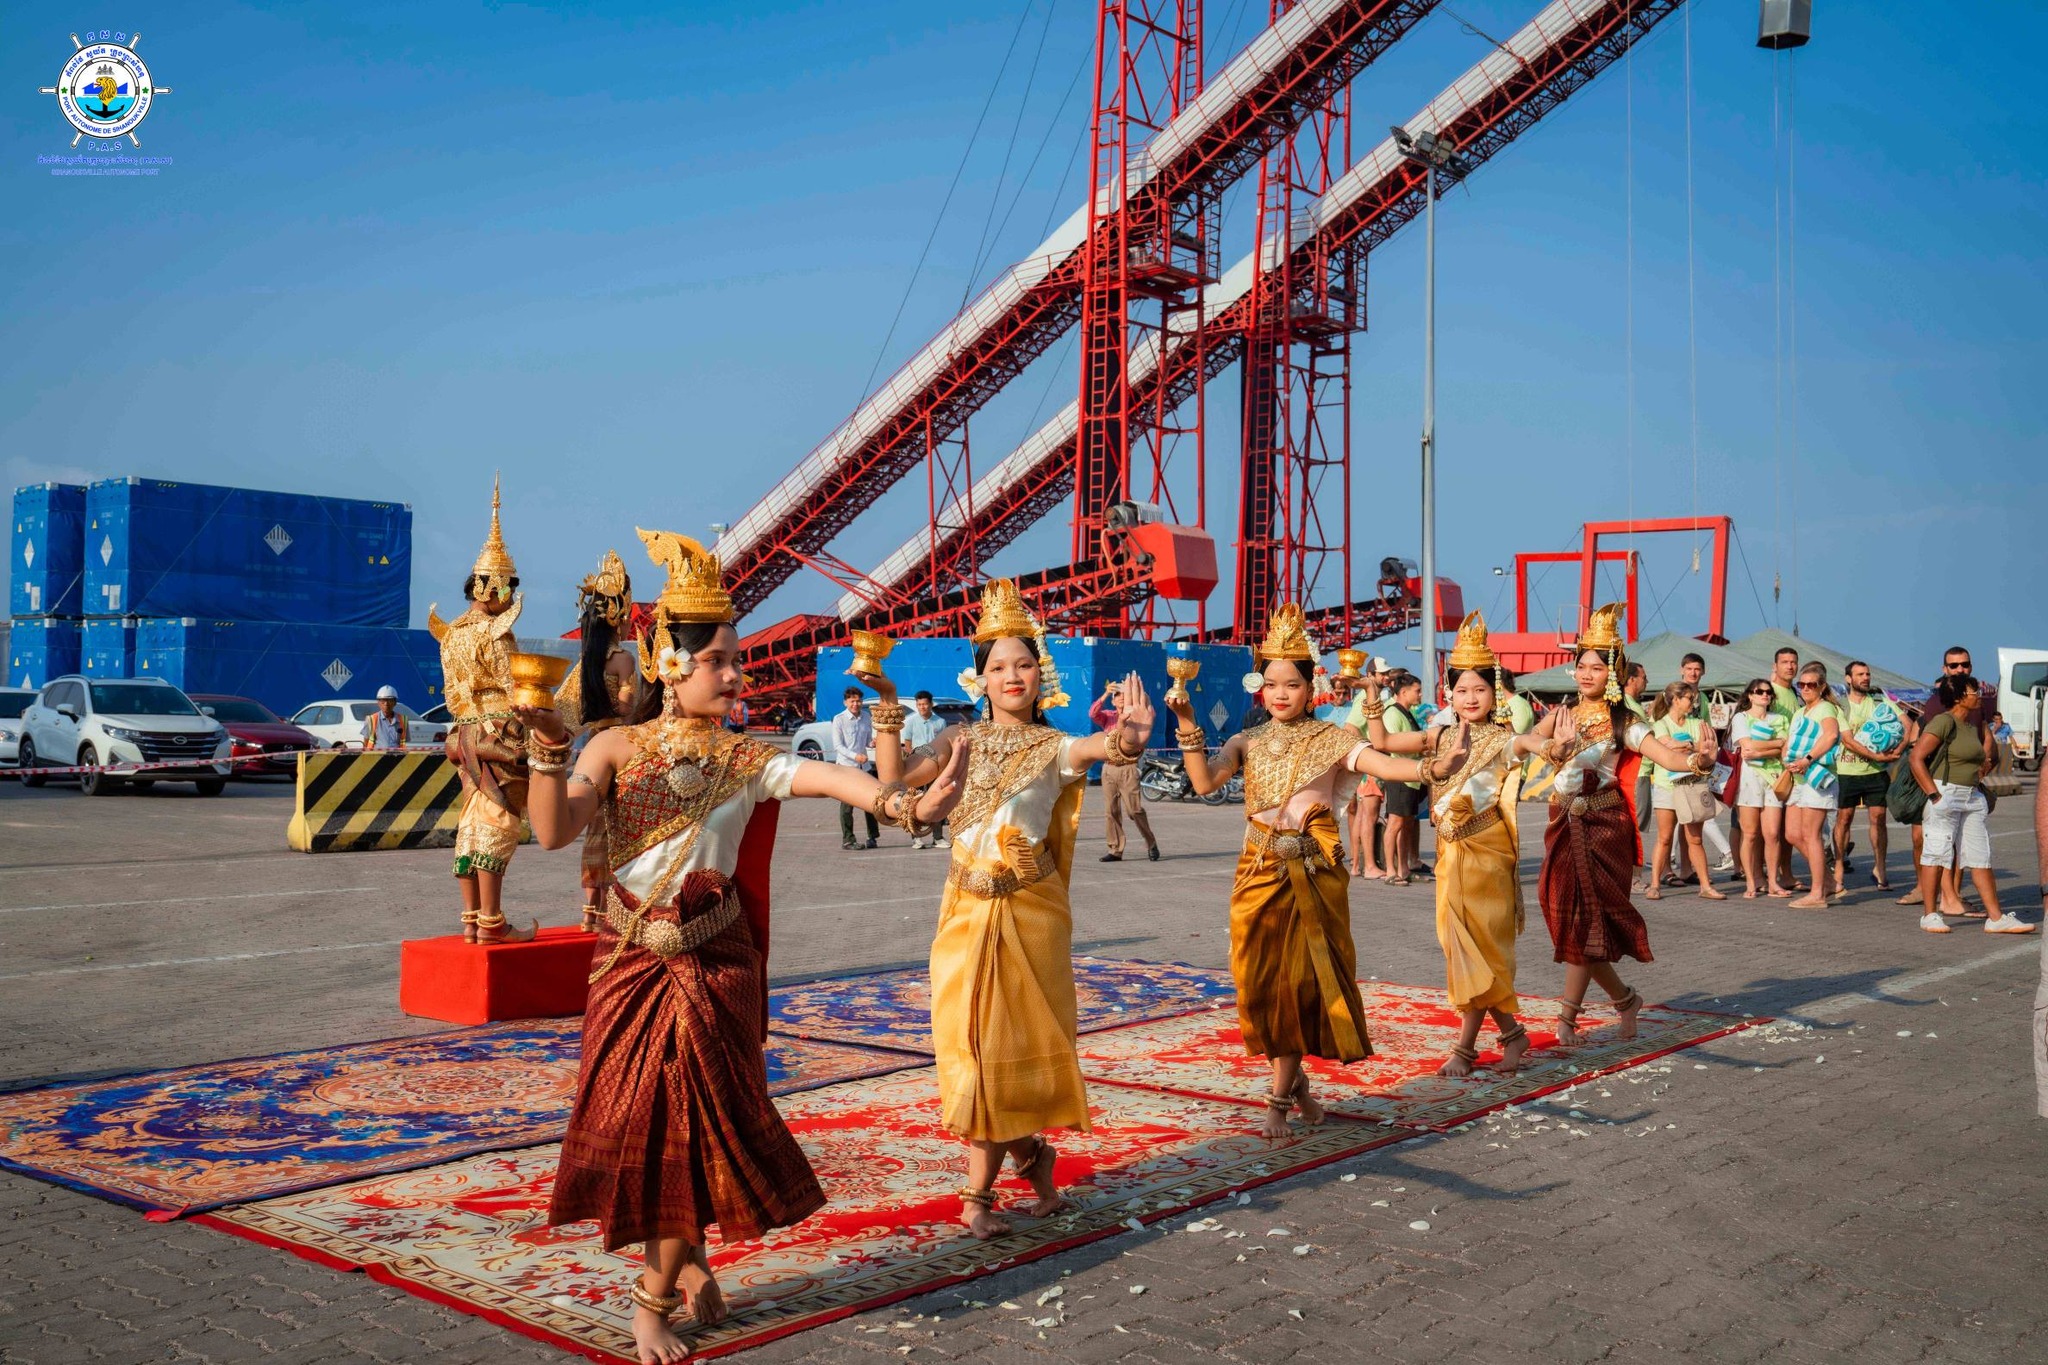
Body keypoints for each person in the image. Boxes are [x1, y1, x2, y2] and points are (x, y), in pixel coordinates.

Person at [519, 529, 967, 1365]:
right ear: (668, 662)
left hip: (712, 967)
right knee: (639, 1123)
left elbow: (834, 780)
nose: (735, 675)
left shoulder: (746, 759)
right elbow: (551, 831)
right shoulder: (613, 747)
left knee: (696, 1123)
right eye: (718, 660)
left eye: (736, 660)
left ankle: (651, 1298)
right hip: (628, 967)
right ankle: (686, 1260)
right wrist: (547, 746)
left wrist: (906, 807)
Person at [862, 579, 1149, 1240]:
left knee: (996, 1051)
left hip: (1028, 915)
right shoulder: (956, 739)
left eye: (1023, 664)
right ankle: (1036, 1162)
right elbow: (891, 781)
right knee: (968, 1048)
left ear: (1040, 674)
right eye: (998, 666)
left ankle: (976, 1197)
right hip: (963, 914)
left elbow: (1095, 749)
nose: (1011, 675)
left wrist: (1128, 739)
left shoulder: (1053, 746)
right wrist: (888, 705)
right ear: (980, 678)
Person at [1167, 603, 1451, 1135]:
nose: (1281, 694)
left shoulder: (1332, 739)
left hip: (1312, 872)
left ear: (1311, 686)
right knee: (1256, 983)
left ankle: (1277, 1100)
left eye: (1292, 684)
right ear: (1259, 687)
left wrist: (1431, 767)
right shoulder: (1245, 741)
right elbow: (1204, 783)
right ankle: (1300, 1091)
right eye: (1271, 683)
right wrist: (1186, 721)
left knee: (1297, 982)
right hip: (1256, 869)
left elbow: (1383, 764)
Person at [1360, 613, 1542, 1077]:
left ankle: (1465, 1049)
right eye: (1462, 690)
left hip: (1487, 853)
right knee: (1458, 946)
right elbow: (1381, 740)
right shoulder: (1438, 735)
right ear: (1450, 693)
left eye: (1479, 689)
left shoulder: (1501, 739)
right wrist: (1374, 698)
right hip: (1449, 853)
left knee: (1477, 949)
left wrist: (1549, 745)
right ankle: (1512, 1035)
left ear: (1495, 693)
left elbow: (1527, 744)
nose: (1471, 698)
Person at [1526, 604, 1713, 1045]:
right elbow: (1530, 739)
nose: (1586, 674)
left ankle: (1568, 1017)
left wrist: (1699, 761)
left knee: (1583, 921)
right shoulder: (1565, 712)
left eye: (1596, 668)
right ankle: (1626, 1001)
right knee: (1566, 914)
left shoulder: (1623, 720)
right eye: (1581, 667)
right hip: (1561, 821)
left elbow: (1664, 756)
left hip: (1601, 825)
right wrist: (1548, 747)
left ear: (1613, 674)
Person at [428, 478, 534, 945]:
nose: (509, 596)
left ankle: (471, 920)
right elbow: (515, 689)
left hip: (464, 735)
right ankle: (493, 922)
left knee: (471, 821)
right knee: (499, 821)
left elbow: (453, 692)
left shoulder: (450, 633)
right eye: (507, 587)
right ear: (492, 587)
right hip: (499, 735)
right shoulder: (496, 633)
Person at [554, 550, 640, 933]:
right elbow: (626, 708)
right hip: (617, 748)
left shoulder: (586, 661)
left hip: (590, 748)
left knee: (594, 829)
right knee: (616, 826)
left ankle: (590, 909)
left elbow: (569, 711)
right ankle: (611, 909)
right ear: (618, 617)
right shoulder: (623, 660)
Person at [1908, 673, 2033, 936]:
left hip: (1971, 796)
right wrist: (1934, 796)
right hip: (1945, 793)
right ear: (1959, 697)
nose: (1979, 696)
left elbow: (1984, 757)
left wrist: (1981, 772)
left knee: (1980, 856)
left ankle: (1996, 918)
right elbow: (1916, 758)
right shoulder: (1944, 721)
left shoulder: (1969, 725)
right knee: (1936, 854)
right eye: (1974, 691)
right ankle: (1930, 915)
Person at [1901, 647, 1982, 913]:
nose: (1960, 669)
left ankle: (1950, 896)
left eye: (1964, 664)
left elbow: (1983, 739)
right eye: (1954, 665)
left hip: (1962, 785)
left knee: (1955, 843)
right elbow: (1920, 751)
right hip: (1935, 782)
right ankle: (1929, 894)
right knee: (1926, 840)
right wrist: (1934, 794)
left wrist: (1982, 767)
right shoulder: (1938, 704)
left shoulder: (1976, 703)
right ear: (1944, 669)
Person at [1644, 682, 1726, 903]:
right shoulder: (1660, 724)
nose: (1693, 702)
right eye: (1689, 698)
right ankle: (1654, 885)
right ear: (1675, 699)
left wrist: (1686, 745)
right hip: (1666, 785)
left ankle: (1705, 886)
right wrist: (1694, 746)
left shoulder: (1697, 722)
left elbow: (1709, 747)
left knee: (1695, 839)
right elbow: (1667, 747)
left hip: (1692, 786)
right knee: (1664, 838)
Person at [1832, 661, 1907, 892]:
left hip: (1876, 773)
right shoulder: (1840, 705)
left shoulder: (1880, 702)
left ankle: (1880, 868)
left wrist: (1898, 750)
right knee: (1844, 819)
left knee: (1879, 819)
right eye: (1860, 674)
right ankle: (1838, 867)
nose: (1865, 678)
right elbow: (1848, 741)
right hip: (1847, 771)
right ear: (1848, 679)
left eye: (1867, 674)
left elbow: (1908, 724)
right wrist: (1877, 756)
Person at [1782, 662, 1842, 910]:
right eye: (1802, 684)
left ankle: (1818, 893)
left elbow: (1831, 735)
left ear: (1822, 686)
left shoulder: (1825, 707)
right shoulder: (1800, 712)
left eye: (1811, 684)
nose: (1805, 688)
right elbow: (1789, 741)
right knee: (1792, 834)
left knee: (1811, 835)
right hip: (1798, 779)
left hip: (1817, 777)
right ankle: (1828, 882)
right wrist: (1786, 757)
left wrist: (1807, 759)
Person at [1730, 678, 1790, 898]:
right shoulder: (1741, 717)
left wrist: (1761, 751)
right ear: (1750, 695)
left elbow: (1785, 748)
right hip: (1749, 779)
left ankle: (1773, 882)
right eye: (1759, 691)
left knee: (1772, 833)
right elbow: (1747, 746)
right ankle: (1751, 882)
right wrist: (1776, 743)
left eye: (1768, 691)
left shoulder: (1780, 718)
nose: (1764, 694)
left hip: (1774, 778)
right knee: (1750, 834)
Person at [1090, 680, 1159, 863]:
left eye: (1124, 695)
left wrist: (1140, 695)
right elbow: (1093, 713)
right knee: (1111, 811)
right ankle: (1115, 849)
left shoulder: (1135, 716)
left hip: (1128, 768)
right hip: (1109, 768)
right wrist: (1106, 693)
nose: (1121, 698)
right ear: (1113, 701)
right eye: (1117, 696)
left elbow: (1150, 712)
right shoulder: (1108, 717)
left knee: (1134, 810)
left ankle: (1151, 842)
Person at [1341, 657, 1391, 879]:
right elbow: (1350, 728)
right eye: (1382, 674)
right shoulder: (1365, 697)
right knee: (1369, 815)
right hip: (1371, 766)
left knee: (1362, 815)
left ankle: (1356, 864)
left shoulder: (1372, 696)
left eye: (1387, 673)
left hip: (1368, 765)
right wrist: (1365, 752)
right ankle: (1369, 865)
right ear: (1370, 675)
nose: (1386, 677)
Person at [1380, 672, 1427, 885]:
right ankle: (1391, 870)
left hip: (1411, 776)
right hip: (1398, 775)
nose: (1420, 694)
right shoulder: (1392, 713)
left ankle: (1403, 868)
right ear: (1404, 692)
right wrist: (1420, 747)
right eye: (1417, 691)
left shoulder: (1407, 713)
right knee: (1395, 823)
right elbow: (1392, 744)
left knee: (1407, 823)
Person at [901, 690, 952, 849]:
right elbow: (907, 744)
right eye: (919, 704)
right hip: (917, 767)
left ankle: (938, 837)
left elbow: (944, 744)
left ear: (931, 704)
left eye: (924, 704)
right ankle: (916, 837)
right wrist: (912, 759)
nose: (922, 707)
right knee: (915, 801)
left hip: (935, 767)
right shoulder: (911, 722)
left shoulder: (940, 722)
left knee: (937, 800)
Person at [832, 686, 880, 850]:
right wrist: (855, 756)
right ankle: (848, 839)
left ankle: (872, 837)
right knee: (847, 805)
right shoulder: (839, 719)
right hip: (847, 768)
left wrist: (872, 743)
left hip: (864, 767)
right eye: (852, 701)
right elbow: (838, 746)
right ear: (845, 702)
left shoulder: (866, 717)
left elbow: (867, 741)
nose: (856, 704)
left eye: (858, 701)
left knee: (871, 802)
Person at [362, 685, 409, 751]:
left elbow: (404, 742)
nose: (386, 704)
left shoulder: (403, 720)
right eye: (383, 701)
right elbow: (366, 743)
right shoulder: (371, 720)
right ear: (378, 703)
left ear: (395, 702)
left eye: (390, 701)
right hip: (376, 756)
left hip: (397, 756)